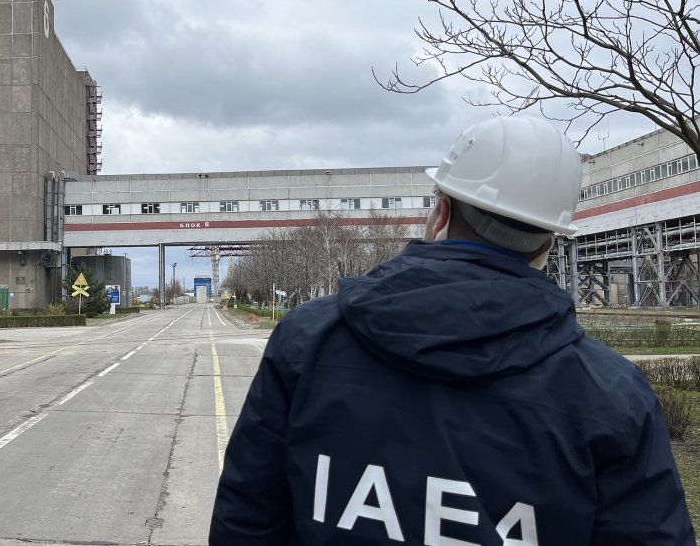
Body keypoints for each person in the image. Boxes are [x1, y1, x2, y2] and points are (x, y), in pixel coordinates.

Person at [209, 118, 695, 545]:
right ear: (550, 241)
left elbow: (247, 517)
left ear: (441, 212)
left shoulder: (308, 338)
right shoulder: (612, 396)